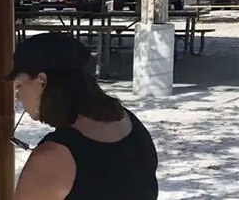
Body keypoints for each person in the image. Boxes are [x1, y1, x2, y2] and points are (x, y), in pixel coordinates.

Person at [9, 33, 157, 200]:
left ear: (42, 81)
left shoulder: (51, 160)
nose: (18, 96)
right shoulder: (130, 124)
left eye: (19, 85)